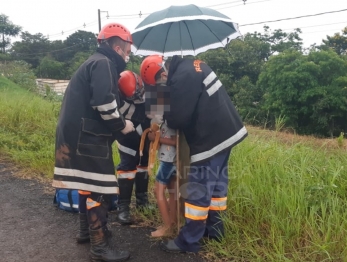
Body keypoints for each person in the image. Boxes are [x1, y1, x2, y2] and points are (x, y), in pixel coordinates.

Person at [139, 55, 248, 253]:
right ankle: (215, 231)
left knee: (198, 190)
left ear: (165, 72)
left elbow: (177, 119)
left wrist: (167, 111)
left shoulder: (182, 76)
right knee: (216, 188)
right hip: (227, 132)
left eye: (161, 82)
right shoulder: (195, 65)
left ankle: (188, 241)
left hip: (210, 138)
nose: (162, 85)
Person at [52, 22, 134, 262]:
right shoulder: (103, 63)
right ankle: (99, 246)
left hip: (76, 134)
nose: (128, 56)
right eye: (128, 51)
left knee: (87, 184)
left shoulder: (94, 61)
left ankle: (86, 232)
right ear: (117, 47)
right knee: (100, 188)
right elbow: (104, 104)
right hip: (87, 136)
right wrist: (122, 125)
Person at [115, 70, 152, 225]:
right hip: (126, 134)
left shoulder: (150, 88)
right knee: (127, 167)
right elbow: (129, 114)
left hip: (145, 132)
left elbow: (156, 113)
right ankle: (123, 206)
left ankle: (142, 201)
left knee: (143, 165)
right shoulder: (116, 96)